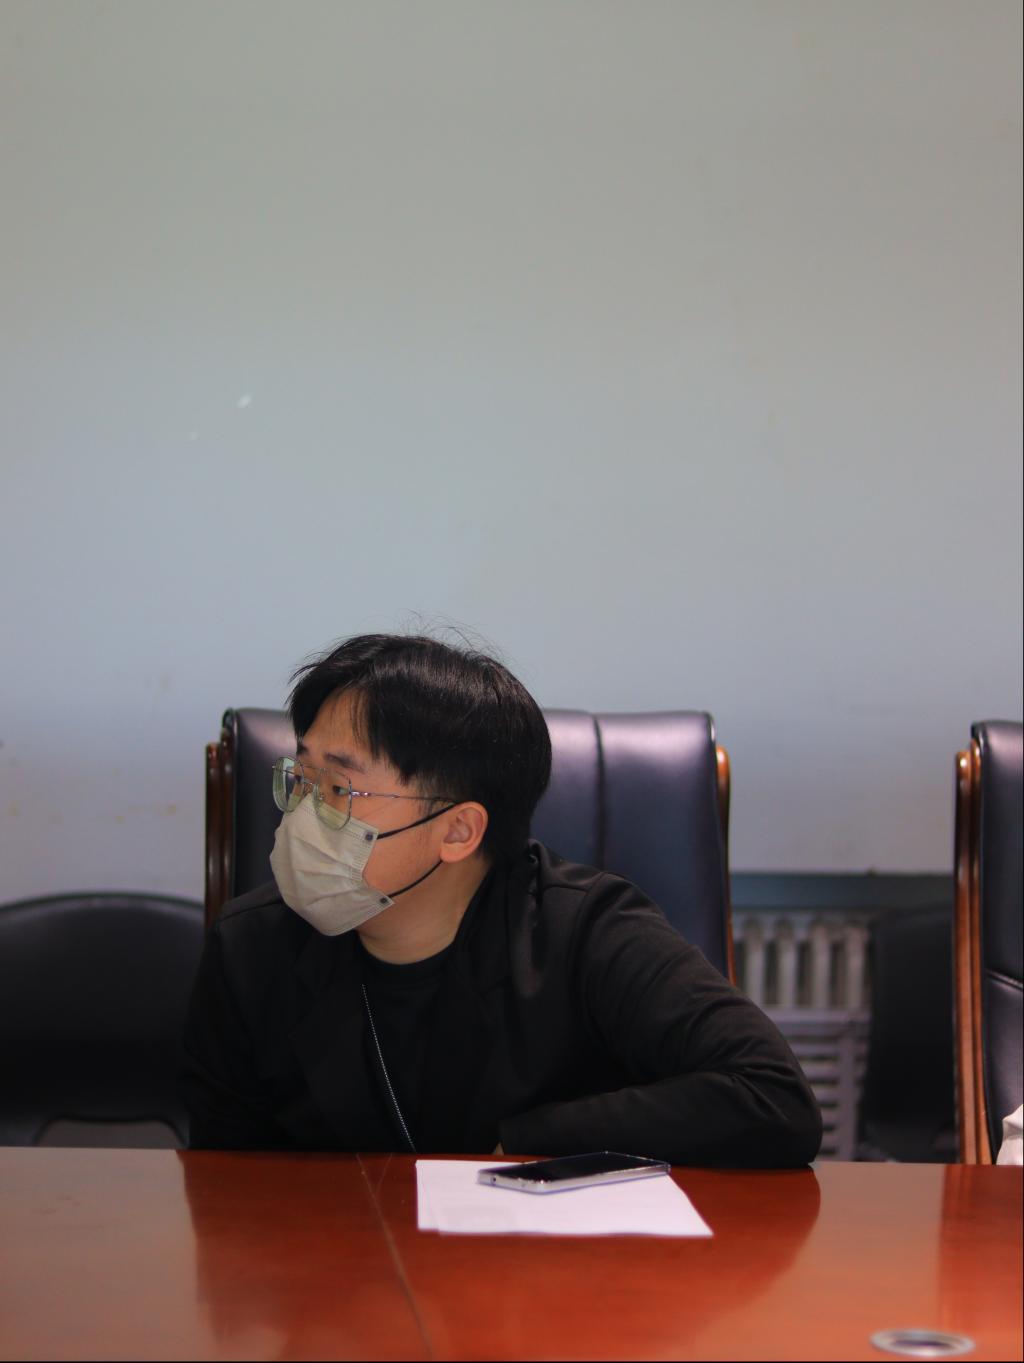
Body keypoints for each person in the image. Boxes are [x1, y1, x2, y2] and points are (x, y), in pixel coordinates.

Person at [181, 632, 822, 1165]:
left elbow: (772, 1096)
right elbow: (222, 1188)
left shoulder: (587, 930)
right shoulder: (250, 948)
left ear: (459, 831)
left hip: (538, 1272)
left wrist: (532, 1141)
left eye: (339, 790)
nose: (303, 814)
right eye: (302, 776)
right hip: (329, 1269)